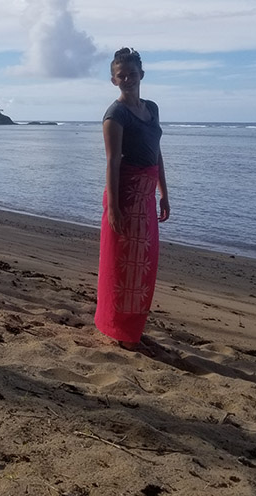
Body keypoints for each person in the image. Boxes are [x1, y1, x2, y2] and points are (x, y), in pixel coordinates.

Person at [96, 47, 170, 352]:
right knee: (122, 266)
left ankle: (133, 329)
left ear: (141, 75)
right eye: (120, 75)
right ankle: (118, 331)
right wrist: (113, 207)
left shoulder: (151, 108)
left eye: (131, 73)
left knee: (145, 266)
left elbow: (157, 152)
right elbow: (113, 162)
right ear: (113, 80)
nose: (127, 79)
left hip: (147, 197)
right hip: (125, 196)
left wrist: (164, 192)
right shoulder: (115, 115)